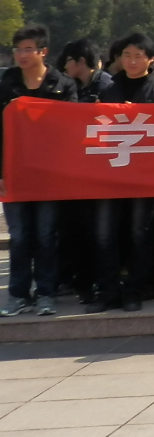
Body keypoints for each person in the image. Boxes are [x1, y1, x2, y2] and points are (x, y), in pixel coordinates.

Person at [91, 32, 154, 312]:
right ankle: (108, 290)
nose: (131, 61)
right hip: (111, 172)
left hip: (145, 174)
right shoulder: (108, 89)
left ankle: (136, 289)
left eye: (138, 56)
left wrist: (137, 117)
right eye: (127, 55)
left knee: (139, 232)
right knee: (105, 233)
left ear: (151, 59)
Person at [0, 25, 78, 317]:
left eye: (28, 49)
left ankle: (46, 292)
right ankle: (18, 295)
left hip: (49, 173)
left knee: (46, 235)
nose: (21, 55)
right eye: (17, 49)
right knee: (20, 236)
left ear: (43, 52)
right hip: (15, 172)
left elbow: (71, 127)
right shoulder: (6, 84)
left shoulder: (63, 85)